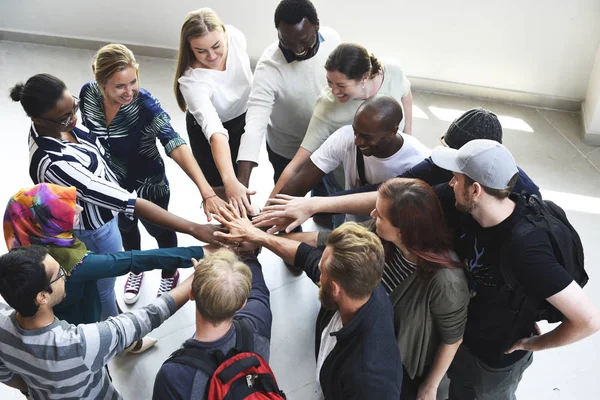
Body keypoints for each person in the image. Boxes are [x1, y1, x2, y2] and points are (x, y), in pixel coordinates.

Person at [10, 73, 219, 320]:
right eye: (64, 117)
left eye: (73, 107)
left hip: (108, 210)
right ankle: (120, 336)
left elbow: (170, 138)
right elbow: (126, 202)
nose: (74, 118)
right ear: (38, 120)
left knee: (120, 262)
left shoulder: (57, 125)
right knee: (105, 287)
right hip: (94, 229)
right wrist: (195, 228)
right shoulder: (54, 164)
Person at [430, 139, 600, 400]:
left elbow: (589, 320)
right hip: (468, 338)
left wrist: (532, 344)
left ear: (475, 190)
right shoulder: (477, 212)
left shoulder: (527, 249)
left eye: (455, 178)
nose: (451, 184)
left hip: (496, 359)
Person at [80, 44, 222, 304]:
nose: (129, 91)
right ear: (101, 83)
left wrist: (207, 190)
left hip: (149, 179)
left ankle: (170, 270)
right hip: (113, 180)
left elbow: (174, 142)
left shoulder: (144, 103)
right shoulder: (88, 95)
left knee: (160, 228)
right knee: (125, 225)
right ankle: (136, 267)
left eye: (133, 82)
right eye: (120, 86)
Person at [252, 108, 539, 233]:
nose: (450, 177)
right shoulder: (443, 167)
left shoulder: (525, 205)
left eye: (456, 169)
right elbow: (388, 191)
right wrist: (313, 204)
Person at [213, 209, 402, 399]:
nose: (318, 268)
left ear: (335, 288)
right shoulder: (364, 287)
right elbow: (306, 257)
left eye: (322, 270)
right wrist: (259, 237)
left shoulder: (370, 379)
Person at [0, 244, 204, 399]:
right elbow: (147, 317)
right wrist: (197, 278)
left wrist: (33, 390)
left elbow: (6, 375)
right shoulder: (78, 345)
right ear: (42, 297)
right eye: (60, 274)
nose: (65, 275)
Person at [3, 183, 204, 332]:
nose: (80, 209)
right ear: (49, 224)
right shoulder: (69, 263)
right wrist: (200, 252)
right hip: (80, 319)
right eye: (66, 212)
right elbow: (132, 260)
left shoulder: (30, 240)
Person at [269, 42, 413, 206]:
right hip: (346, 183)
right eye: (329, 82)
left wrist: (407, 137)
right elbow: (297, 165)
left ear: (364, 77)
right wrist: (268, 208)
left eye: (341, 85)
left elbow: (406, 95)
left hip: (390, 176)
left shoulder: (392, 70)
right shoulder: (328, 108)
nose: (334, 91)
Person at [275, 95, 429, 224]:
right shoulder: (345, 137)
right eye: (356, 132)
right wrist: (263, 222)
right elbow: (300, 181)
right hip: (350, 226)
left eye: (366, 136)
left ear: (392, 131)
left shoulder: (418, 161)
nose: (357, 141)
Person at [236, 0, 341, 186]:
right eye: (288, 42)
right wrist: (242, 182)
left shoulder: (332, 39)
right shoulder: (269, 68)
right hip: (286, 150)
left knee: (327, 208)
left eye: (304, 41)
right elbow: (254, 125)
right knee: (285, 206)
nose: (298, 50)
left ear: (317, 25)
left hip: (327, 144)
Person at [153, 248, 271, 399]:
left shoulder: (174, 374)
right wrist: (246, 249)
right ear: (243, 304)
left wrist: (204, 280)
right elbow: (259, 290)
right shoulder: (258, 323)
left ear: (191, 294)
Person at [174, 8, 256, 214]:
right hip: (209, 132)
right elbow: (215, 132)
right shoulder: (192, 82)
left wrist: (235, 183)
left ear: (224, 35)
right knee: (221, 186)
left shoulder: (235, 36)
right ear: (189, 48)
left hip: (242, 118)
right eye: (200, 51)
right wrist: (229, 182)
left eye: (217, 46)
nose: (211, 56)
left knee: (242, 178)